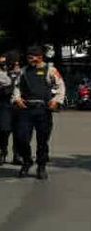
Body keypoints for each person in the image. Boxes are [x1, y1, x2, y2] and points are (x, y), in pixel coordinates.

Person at [12, 45, 65, 179]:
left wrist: (56, 101)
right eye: (29, 57)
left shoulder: (50, 70)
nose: (30, 60)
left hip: (43, 109)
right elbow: (16, 86)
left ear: (40, 57)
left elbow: (60, 86)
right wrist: (17, 99)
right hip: (26, 108)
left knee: (42, 140)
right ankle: (27, 160)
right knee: (21, 137)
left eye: (33, 57)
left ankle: (41, 166)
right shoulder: (23, 71)